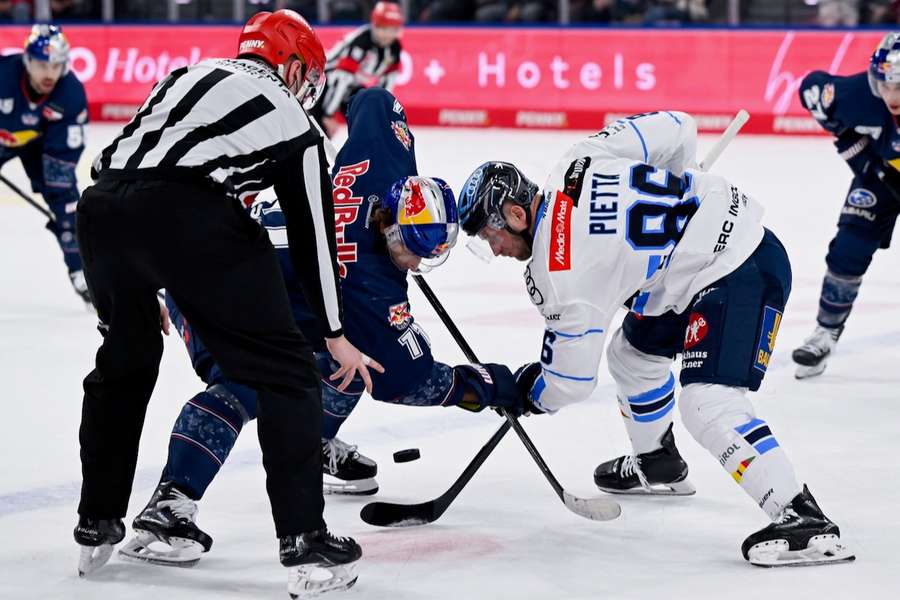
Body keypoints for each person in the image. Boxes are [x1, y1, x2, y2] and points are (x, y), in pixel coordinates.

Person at [116, 87, 522, 568]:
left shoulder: (383, 169)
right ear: (393, 232)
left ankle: (314, 441)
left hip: (225, 251)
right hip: (206, 288)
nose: (416, 263)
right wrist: (493, 385)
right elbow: (407, 381)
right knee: (246, 384)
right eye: (416, 252)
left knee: (344, 353)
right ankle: (169, 506)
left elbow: (373, 100)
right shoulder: (371, 289)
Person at [457, 111, 855, 568]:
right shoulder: (577, 161)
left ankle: (802, 517)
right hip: (707, 258)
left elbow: (570, 380)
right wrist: (675, 189)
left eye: (491, 235)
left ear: (514, 214)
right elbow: (680, 126)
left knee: (707, 402)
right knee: (632, 355)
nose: (494, 248)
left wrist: (528, 394)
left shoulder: (558, 273)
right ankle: (658, 461)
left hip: (739, 269)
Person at [71, 10, 375, 597]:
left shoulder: (184, 75)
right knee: (287, 373)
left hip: (103, 212)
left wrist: (140, 277)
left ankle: (95, 523)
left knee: (124, 363)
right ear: (289, 65)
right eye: (307, 75)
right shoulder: (296, 122)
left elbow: (116, 167)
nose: (308, 88)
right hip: (190, 218)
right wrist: (334, 330)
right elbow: (315, 235)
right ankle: (305, 542)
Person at [793, 32, 900, 379]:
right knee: (847, 250)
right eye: (886, 84)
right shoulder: (856, 95)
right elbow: (813, 91)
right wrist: (860, 158)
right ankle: (826, 332)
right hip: (882, 178)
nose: (892, 96)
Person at [0, 25, 89, 304]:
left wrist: (59, 194)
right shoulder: (3, 75)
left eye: (56, 65)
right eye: (41, 64)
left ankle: (81, 271)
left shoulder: (70, 93)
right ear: (27, 60)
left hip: (39, 144)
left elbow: (62, 158)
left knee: (66, 203)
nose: (49, 73)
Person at [309, 1, 404, 137]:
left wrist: (383, 114)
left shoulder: (394, 48)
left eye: (393, 30)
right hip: (325, 81)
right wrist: (329, 114)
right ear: (375, 25)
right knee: (320, 130)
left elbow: (387, 84)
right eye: (384, 28)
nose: (388, 35)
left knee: (368, 119)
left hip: (350, 85)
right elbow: (341, 79)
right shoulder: (361, 42)